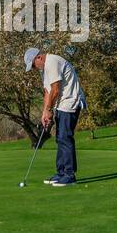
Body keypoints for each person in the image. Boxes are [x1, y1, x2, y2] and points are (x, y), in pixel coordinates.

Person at [23, 47, 85, 186]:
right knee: (60, 138)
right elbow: (47, 91)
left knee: (65, 137)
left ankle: (69, 175)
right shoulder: (44, 69)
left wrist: (49, 109)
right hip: (61, 105)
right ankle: (61, 172)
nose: (33, 68)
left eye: (33, 64)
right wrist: (45, 112)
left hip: (70, 102)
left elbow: (56, 89)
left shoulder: (52, 62)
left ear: (39, 57)